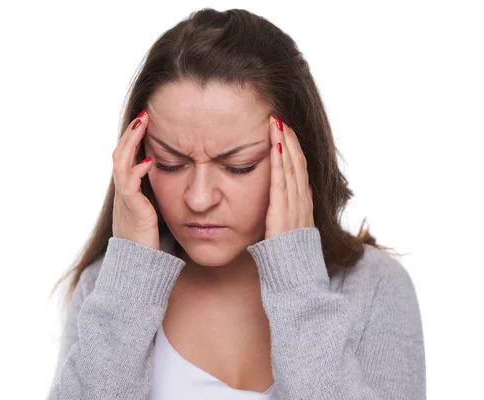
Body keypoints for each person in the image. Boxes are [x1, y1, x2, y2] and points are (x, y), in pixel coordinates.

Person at [46, 7, 426, 400]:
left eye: (238, 166)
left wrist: (297, 282)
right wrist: (131, 280)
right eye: (169, 163)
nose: (199, 198)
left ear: (299, 157)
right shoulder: (109, 285)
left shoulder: (374, 286)